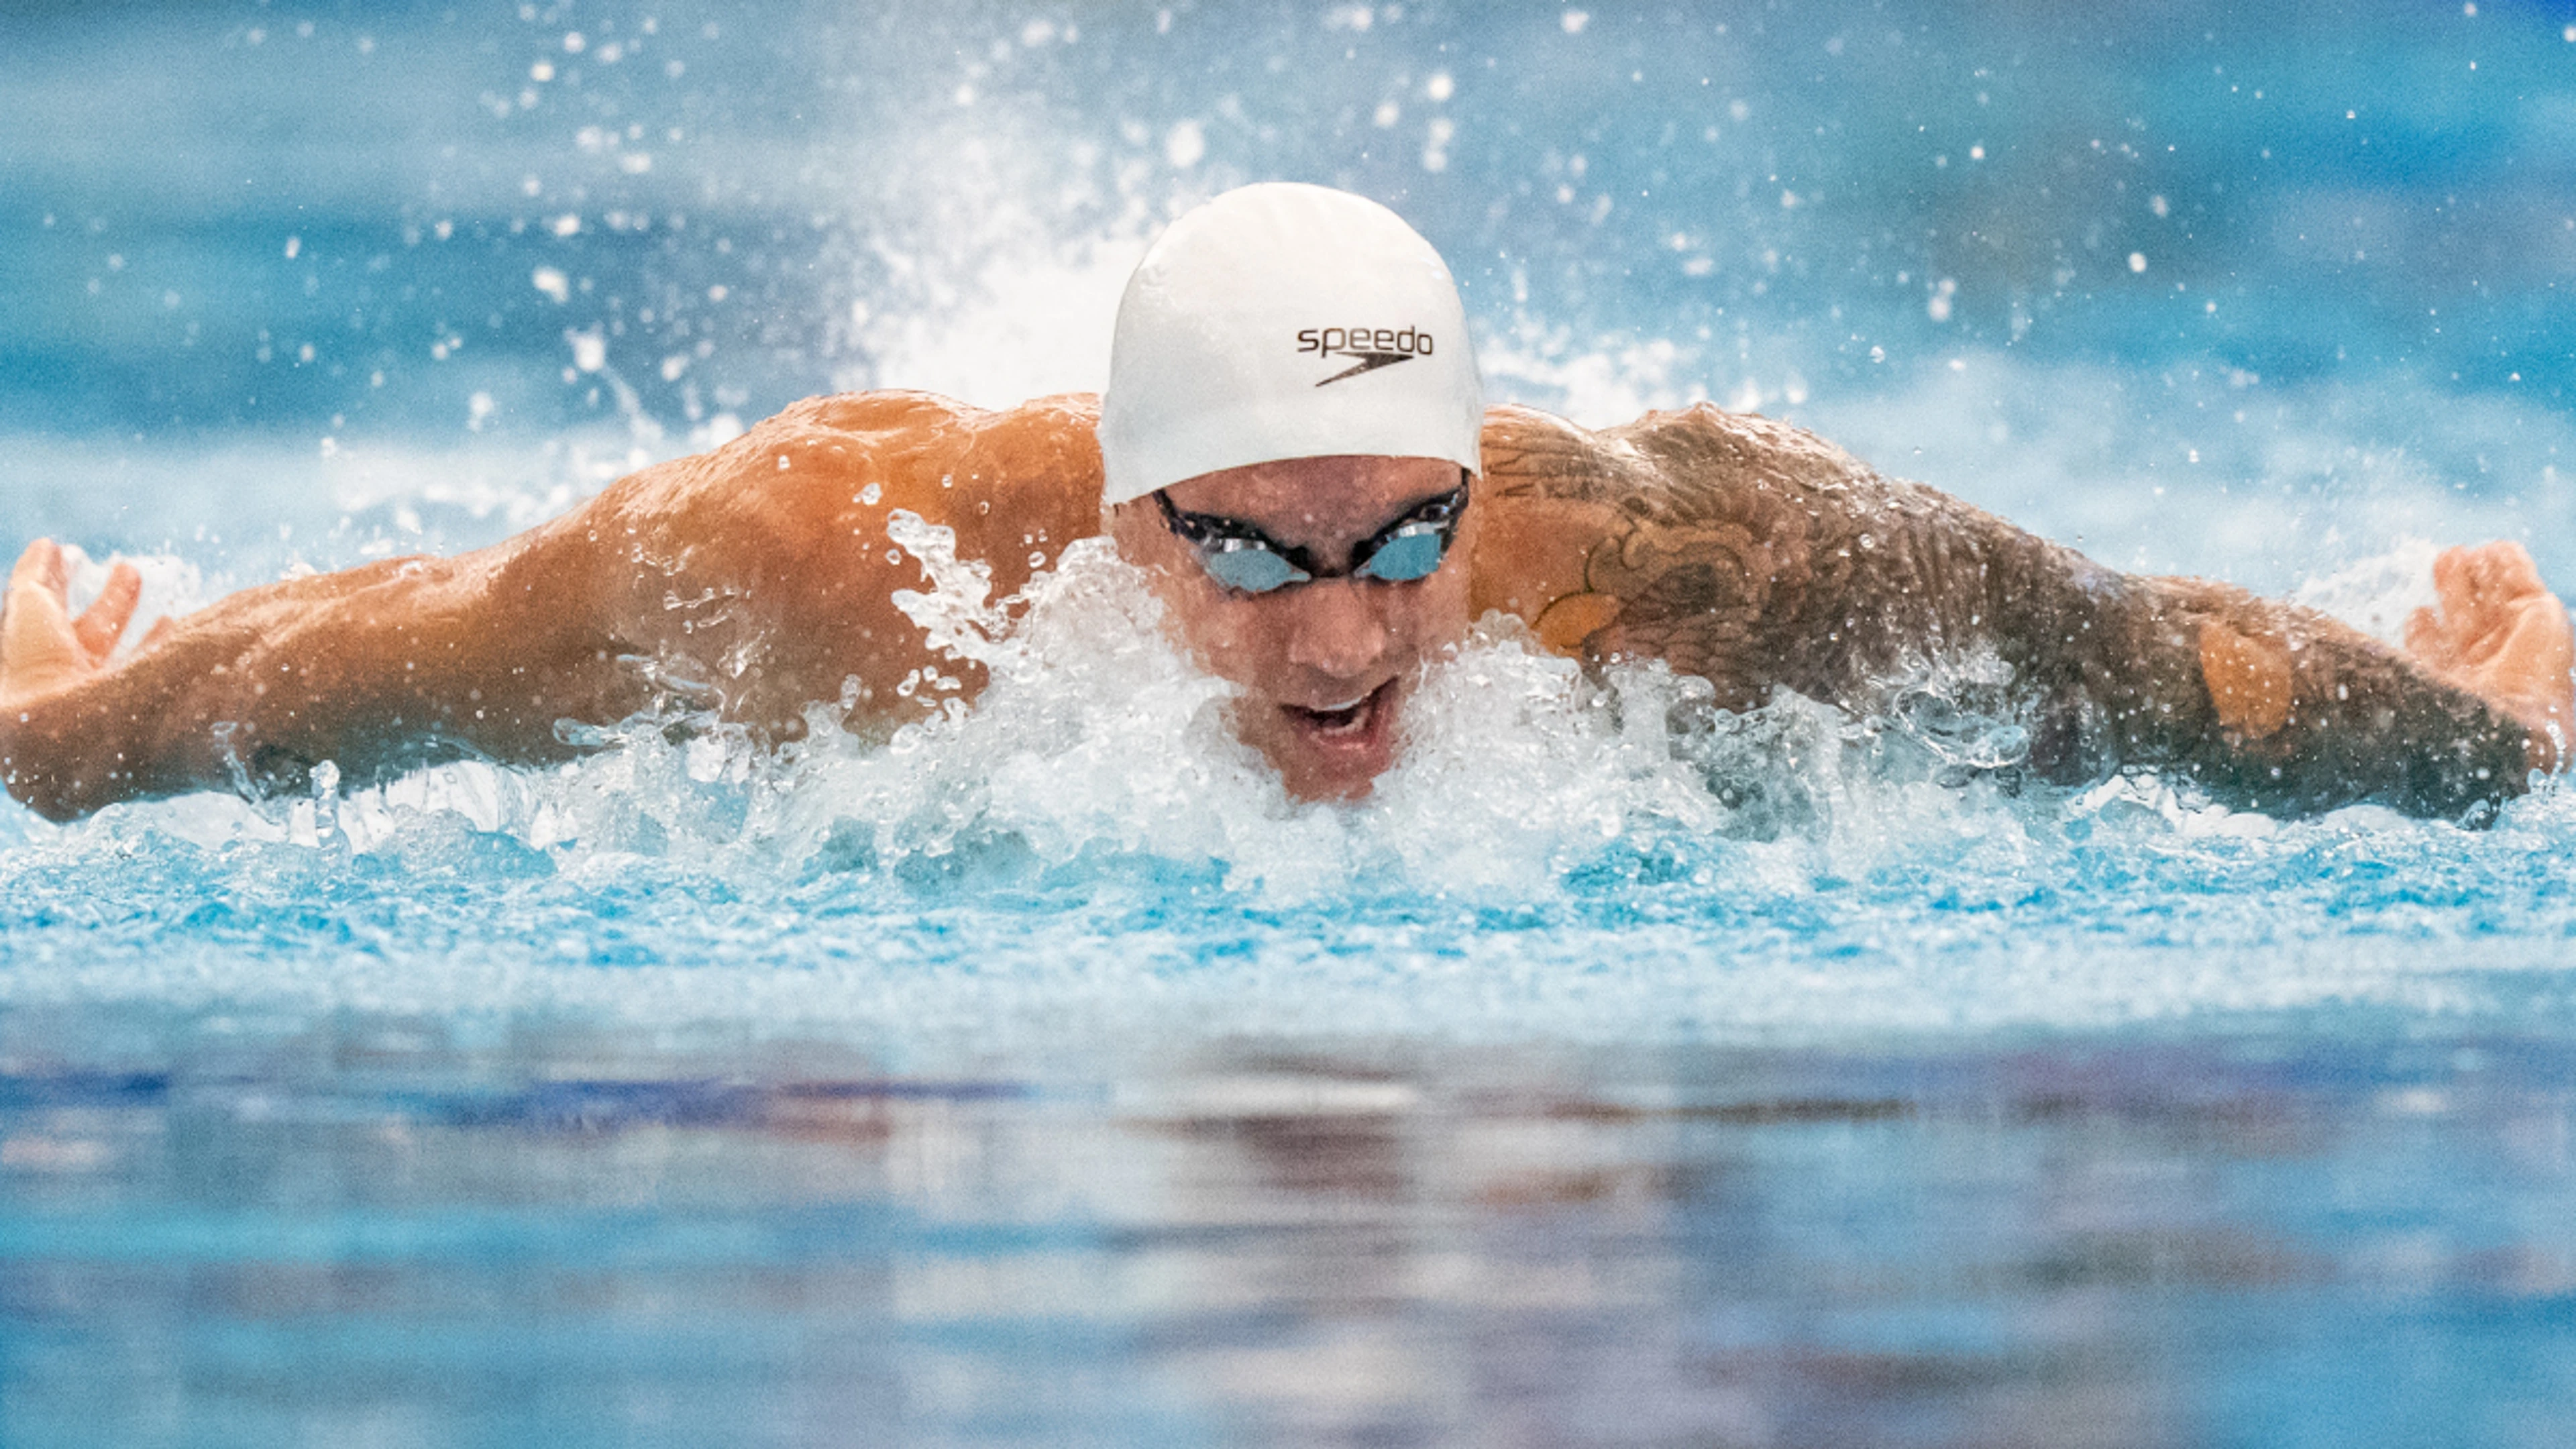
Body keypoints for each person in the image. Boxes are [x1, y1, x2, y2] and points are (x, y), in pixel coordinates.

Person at [2, 183, 2569, 824]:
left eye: (1402, 541)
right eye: (1243, 550)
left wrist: (2504, 751)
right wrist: (62, 733)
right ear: (1123, 522)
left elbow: (2157, 666)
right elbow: (390, 652)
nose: (1342, 639)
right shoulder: (838, 569)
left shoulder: (1691, 567)